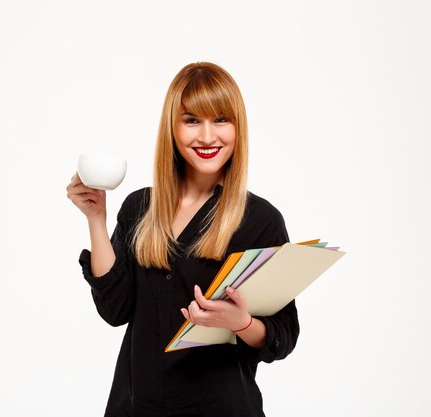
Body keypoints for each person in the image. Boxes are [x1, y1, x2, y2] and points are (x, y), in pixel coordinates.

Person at [66, 62, 299, 417]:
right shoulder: (139, 207)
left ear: (238, 128)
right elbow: (115, 310)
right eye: (192, 121)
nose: (207, 137)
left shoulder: (260, 221)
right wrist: (96, 219)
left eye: (221, 119)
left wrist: (241, 323)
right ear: (172, 129)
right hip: (136, 407)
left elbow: (282, 336)